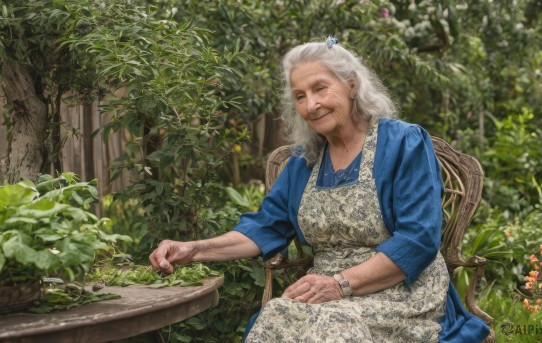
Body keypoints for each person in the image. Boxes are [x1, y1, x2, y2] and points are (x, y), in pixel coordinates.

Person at [149, 36, 491, 342]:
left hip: (402, 291)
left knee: (332, 327)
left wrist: (340, 284)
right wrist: (194, 249)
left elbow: (418, 239)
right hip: (324, 291)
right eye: (300, 95)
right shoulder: (304, 161)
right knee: (274, 318)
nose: (311, 105)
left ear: (352, 85)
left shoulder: (402, 142)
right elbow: (264, 227)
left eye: (320, 88)